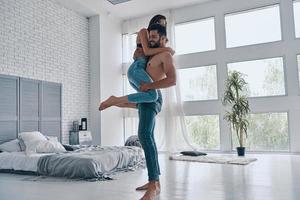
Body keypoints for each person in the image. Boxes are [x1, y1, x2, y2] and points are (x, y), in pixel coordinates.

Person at [116, 24, 176, 200]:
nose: (150, 39)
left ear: (163, 39)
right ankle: (154, 183)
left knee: (144, 135)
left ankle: (153, 184)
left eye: (154, 37)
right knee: (147, 137)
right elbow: (144, 51)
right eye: (149, 36)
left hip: (151, 96)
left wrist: (150, 86)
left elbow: (172, 80)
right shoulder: (151, 53)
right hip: (147, 96)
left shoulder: (164, 55)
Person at [98, 15, 174, 111]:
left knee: (150, 100)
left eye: (163, 25)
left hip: (139, 71)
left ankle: (118, 103)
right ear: (154, 22)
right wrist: (167, 49)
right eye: (159, 23)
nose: (161, 26)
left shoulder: (156, 41)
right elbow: (146, 51)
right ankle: (115, 100)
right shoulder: (144, 31)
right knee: (153, 96)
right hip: (136, 69)